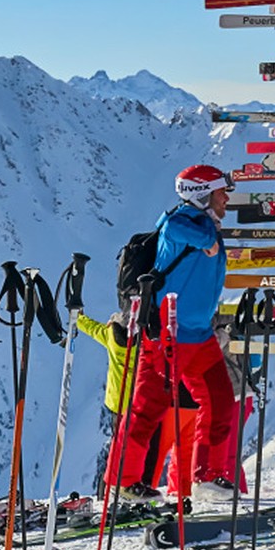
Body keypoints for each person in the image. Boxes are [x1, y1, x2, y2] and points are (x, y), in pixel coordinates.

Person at [109, 164, 238, 503]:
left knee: (221, 402)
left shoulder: (204, 223)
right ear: (202, 194)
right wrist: (209, 238)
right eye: (221, 191)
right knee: (147, 407)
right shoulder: (180, 223)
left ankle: (206, 476)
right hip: (167, 334)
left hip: (199, 335)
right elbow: (180, 232)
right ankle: (125, 481)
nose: (227, 198)